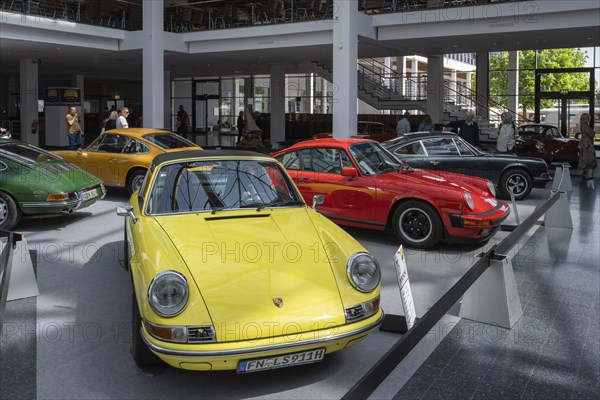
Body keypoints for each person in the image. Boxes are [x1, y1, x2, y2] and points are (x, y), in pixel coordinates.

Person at [577, 113, 596, 180]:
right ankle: (585, 174)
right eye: (589, 117)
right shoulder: (585, 126)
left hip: (584, 143)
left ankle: (585, 174)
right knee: (587, 159)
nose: (590, 119)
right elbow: (591, 134)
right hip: (587, 144)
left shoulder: (583, 125)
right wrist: (593, 132)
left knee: (585, 158)